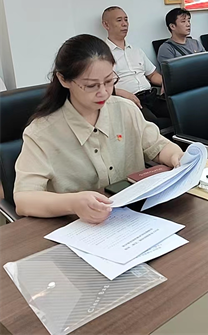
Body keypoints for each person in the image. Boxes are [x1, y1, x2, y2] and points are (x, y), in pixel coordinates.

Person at [13, 35, 183, 223]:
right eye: (91, 85)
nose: (103, 92)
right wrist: (72, 203)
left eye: (109, 81)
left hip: (135, 217)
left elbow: (158, 146)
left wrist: (176, 156)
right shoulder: (42, 133)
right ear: (63, 79)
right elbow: (24, 199)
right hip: (79, 227)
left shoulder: (125, 109)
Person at [102, 6, 171, 130]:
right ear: (106, 25)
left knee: (180, 111)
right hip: (127, 101)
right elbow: (101, 86)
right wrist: (121, 93)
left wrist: (166, 82)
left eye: (126, 20)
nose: (124, 24)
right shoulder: (101, 54)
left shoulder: (136, 50)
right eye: (119, 20)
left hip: (150, 96)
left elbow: (152, 75)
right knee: (152, 124)